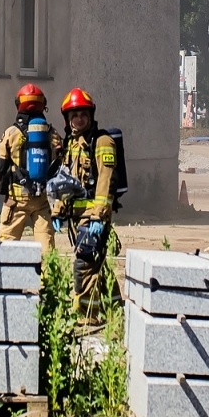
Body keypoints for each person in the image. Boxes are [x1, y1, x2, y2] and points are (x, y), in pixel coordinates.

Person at [59, 87, 117, 326]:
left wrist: (98, 217)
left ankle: (86, 317)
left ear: (90, 115)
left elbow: (105, 180)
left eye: (82, 114)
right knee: (98, 267)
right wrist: (59, 210)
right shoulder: (72, 143)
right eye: (74, 115)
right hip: (76, 217)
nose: (79, 119)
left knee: (83, 264)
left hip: (93, 217)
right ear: (68, 118)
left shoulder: (102, 142)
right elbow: (68, 181)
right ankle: (116, 313)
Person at [0, 83, 61, 251]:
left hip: (16, 198)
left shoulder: (10, 133)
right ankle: (48, 277)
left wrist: (10, 183)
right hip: (42, 200)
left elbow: (0, 167)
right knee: (47, 251)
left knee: (6, 248)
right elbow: (61, 165)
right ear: (43, 105)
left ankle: (7, 277)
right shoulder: (52, 134)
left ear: (19, 105)